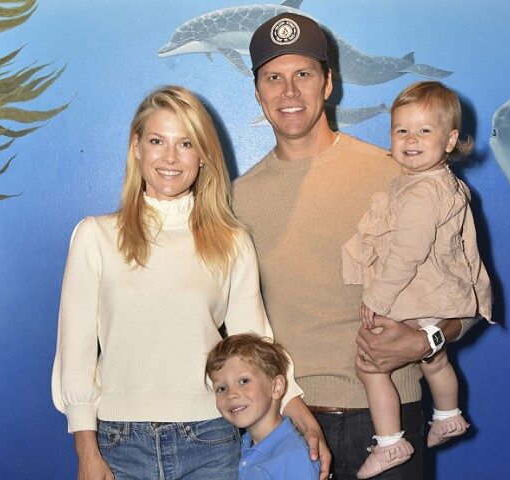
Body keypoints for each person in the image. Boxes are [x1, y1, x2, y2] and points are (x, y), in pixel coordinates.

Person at [232, 13, 482, 479]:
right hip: (288, 427)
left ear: (328, 83)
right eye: (274, 77)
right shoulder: (237, 198)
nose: (289, 92)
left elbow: (466, 292)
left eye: (303, 74)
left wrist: (425, 340)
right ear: (258, 91)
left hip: (393, 426)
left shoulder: (402, 175)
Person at [51, 85, 327, 480]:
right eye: (157, 141)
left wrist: (296, 407)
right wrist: (86, 450)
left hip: (211, 439)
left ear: (202, 156)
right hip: (118, 442)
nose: (169, 157)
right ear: (137, 147)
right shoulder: (95, 235)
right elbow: (74, 349)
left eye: (185, 143)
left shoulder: (232, 240)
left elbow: (255, 340)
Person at [341, 81, 493, 478]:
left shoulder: (421, 192)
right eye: (401, 130)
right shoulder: (436, 182)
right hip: (440, 299)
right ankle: (448, 416)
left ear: (450, 140)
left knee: (370, 366)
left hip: (421, 297)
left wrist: (376, 298)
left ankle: (390, 442)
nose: (410, 139)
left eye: (424, 130)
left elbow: (406, 253)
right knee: (434, 358)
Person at [206, 333, 321, 479]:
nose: (231, 394)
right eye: (221, 388)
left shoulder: (292, 456)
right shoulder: (246, 444)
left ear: (276, 387)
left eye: (244, 381)